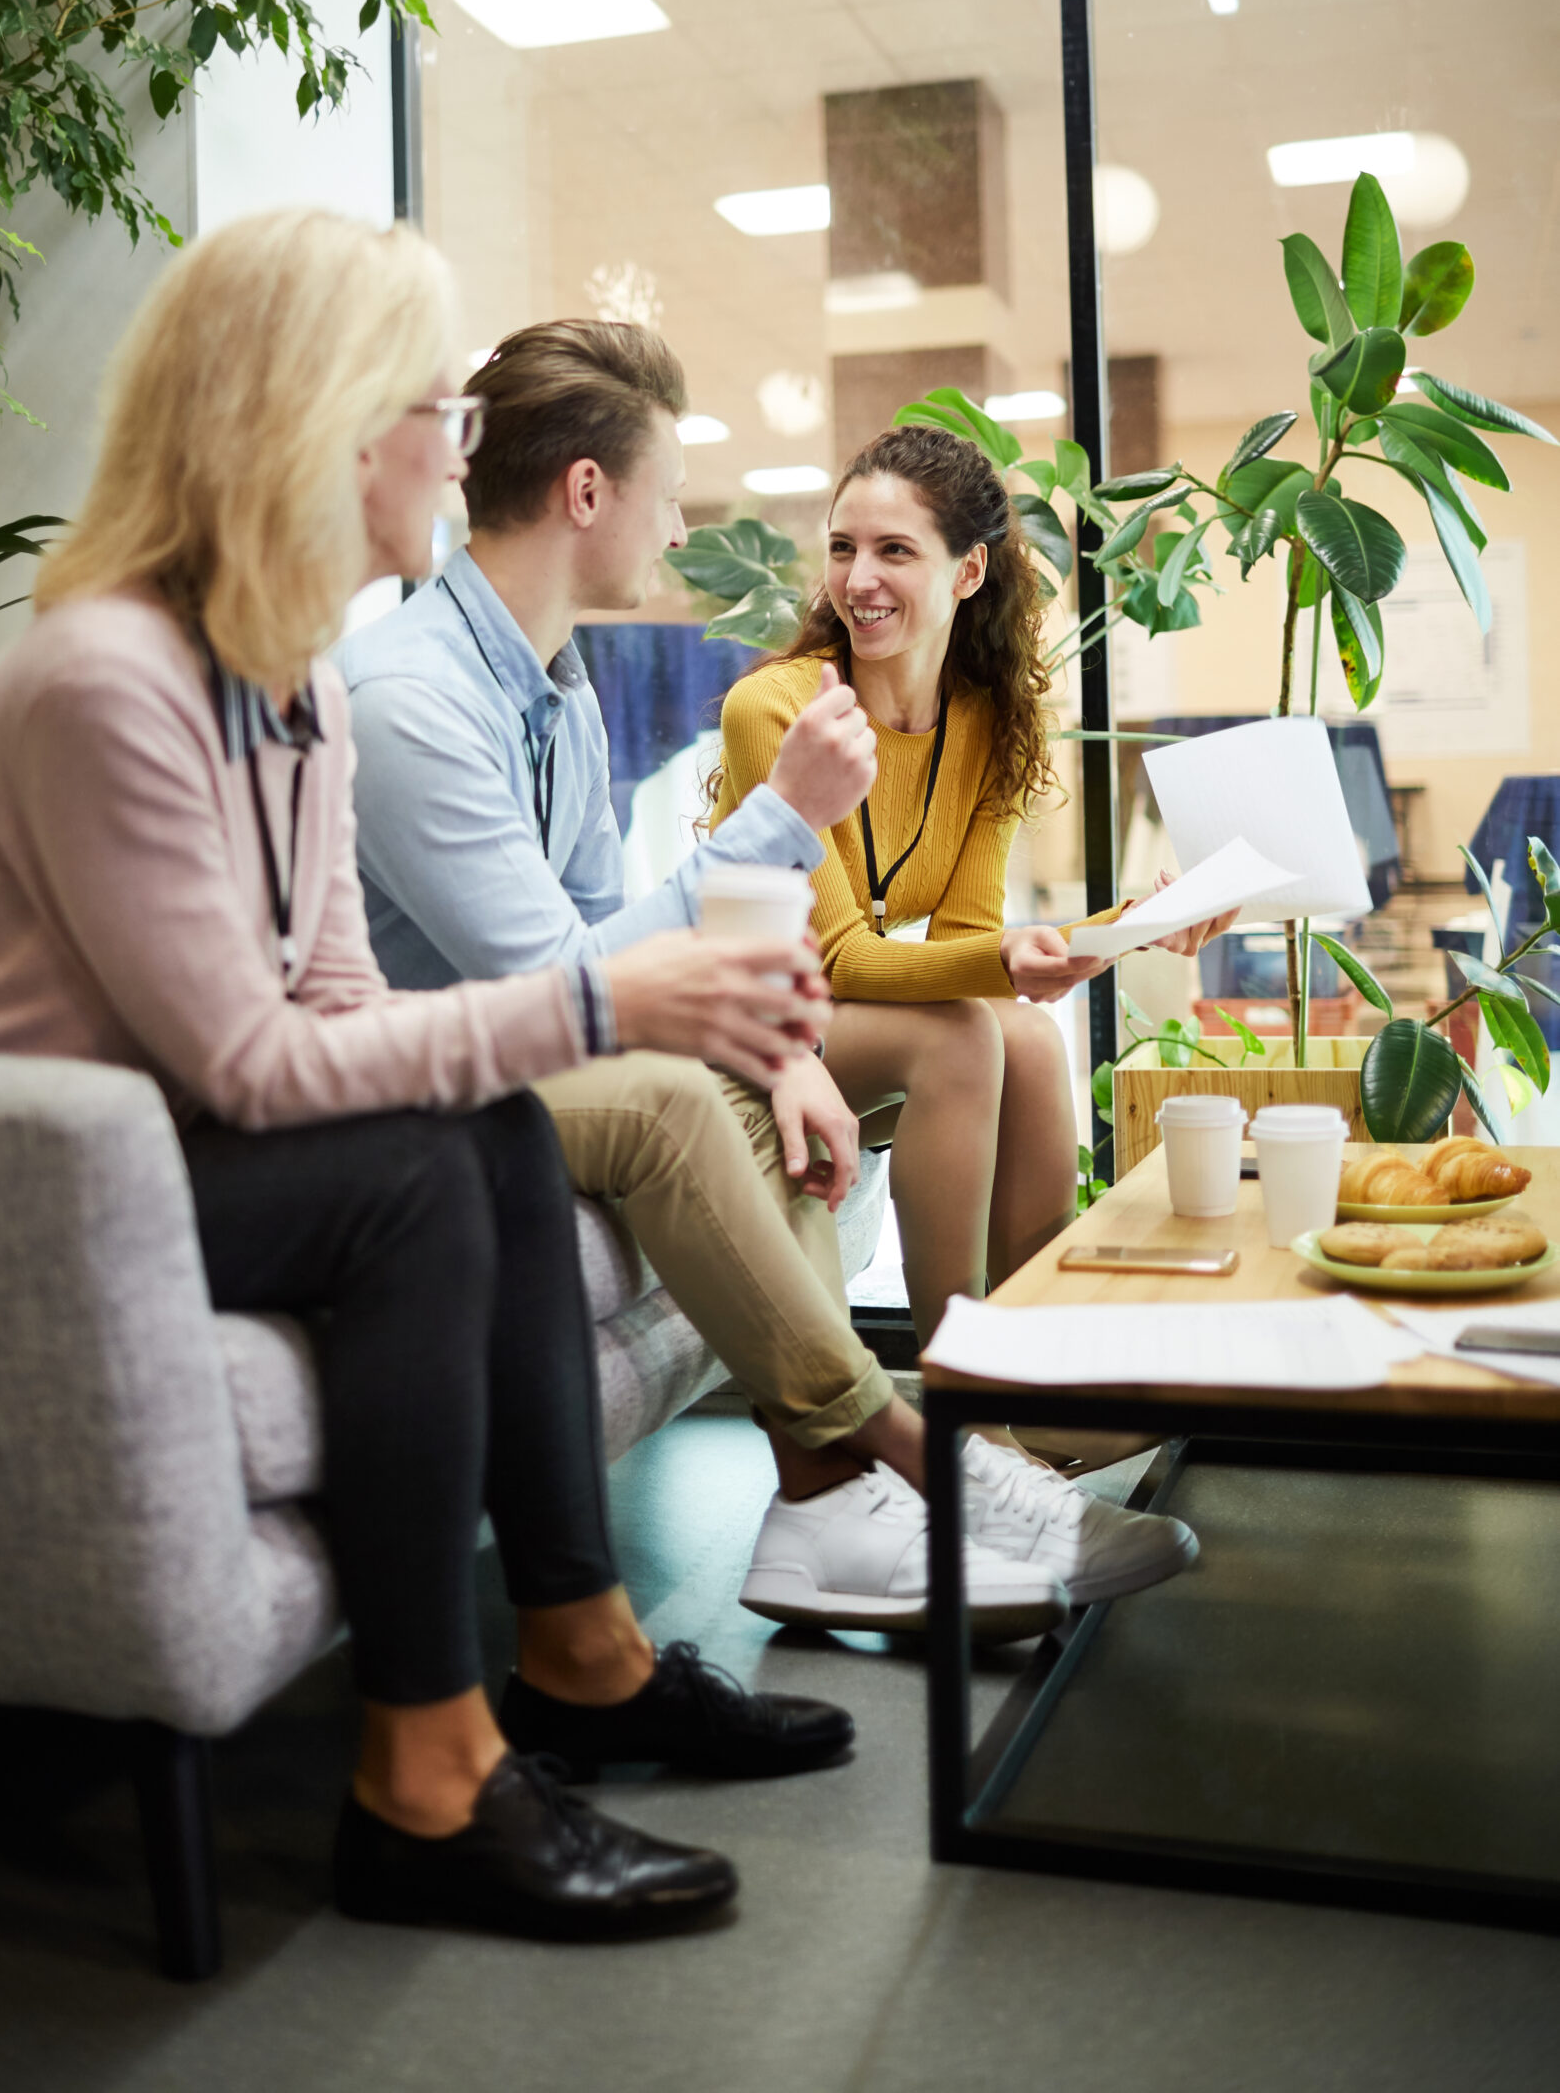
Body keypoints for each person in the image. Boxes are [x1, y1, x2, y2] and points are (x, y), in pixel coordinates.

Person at [0, 212, 868, 1945]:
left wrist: (584, 1015)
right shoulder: (103, 681)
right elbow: (253, 1064)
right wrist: (607, 1003)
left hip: (154, 1153)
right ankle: (425, 1775)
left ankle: (578, 1657)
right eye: (437, 408)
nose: (462, 450)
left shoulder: (290, 685)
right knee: (422, 1169)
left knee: (465, 1133)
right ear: (323, 422)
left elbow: (327, 997)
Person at [338, 321, 1196, 1628]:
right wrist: (777, 826)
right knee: (715, 1100)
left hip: (531, 1045)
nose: (680, 529)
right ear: (587, 493)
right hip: (424, 1079)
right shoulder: (410, 697)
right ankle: (929, 1466)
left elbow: (595, 935)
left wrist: (779, 1042)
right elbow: (560, 988)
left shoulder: (557, 696)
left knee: (790, 1082)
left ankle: (841, 1505)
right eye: (670, 492)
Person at [712, 423, 1238, 1354]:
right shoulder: (775, 708)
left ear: (966, 574)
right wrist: (1015, 957)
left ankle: (1036, 1362)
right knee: (962, 1036)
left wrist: (1135, 925)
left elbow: (963, 939)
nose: (858, 579)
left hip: (839, 1029)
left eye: (894, 551)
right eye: (843, 548)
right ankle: (963, 1398)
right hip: (750, 1030)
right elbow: (837, 958)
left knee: (1027, 1040)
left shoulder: (988, 718)